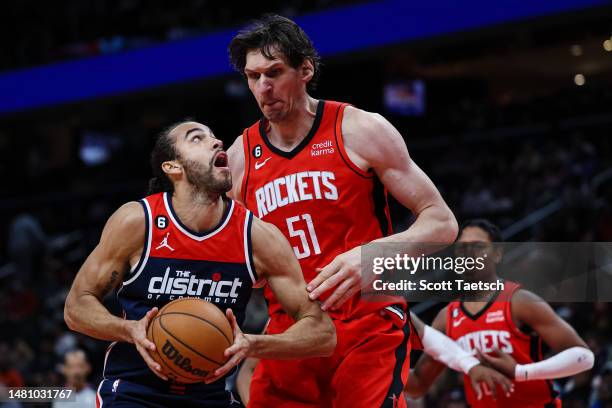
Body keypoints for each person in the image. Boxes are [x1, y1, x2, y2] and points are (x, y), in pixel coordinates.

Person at [227, 14, 459, 407]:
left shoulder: (359, 129)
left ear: (305, 69)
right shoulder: (239, 158)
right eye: (253, 77)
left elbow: (441, 222)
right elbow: (235, 260)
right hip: (293, 330)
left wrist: (372, 257)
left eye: (274, 72)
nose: (263, 87)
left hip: (367, 320)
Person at [64, 122, 335, 407]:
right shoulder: (138, 222)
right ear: (173, 168)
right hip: (134, 392)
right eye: (197, 139)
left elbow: (322, 333)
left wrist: (253, 344)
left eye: (215, 136)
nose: (217, 142)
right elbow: (76, 306)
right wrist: (129, 329)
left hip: (211, 396)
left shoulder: (256, 236)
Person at [405, 219, 595, 407]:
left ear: (497, 254)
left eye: (478, 247)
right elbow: (417, 386)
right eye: (462, 248)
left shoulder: (520, 301)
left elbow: (584, 357)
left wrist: (522, 372)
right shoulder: (447, 317)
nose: (469, 254)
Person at [235, 311, 514, 405]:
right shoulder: (289, 312)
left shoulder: (378, 305)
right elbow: (248, 371)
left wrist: (468, 362)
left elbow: (415, 382)